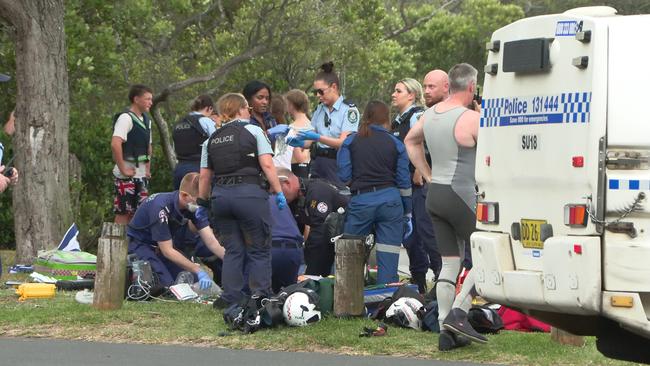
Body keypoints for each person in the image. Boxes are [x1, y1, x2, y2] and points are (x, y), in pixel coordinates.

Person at [404, 63, 485, 350]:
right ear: (472, 87)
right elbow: (491, 157)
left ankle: (445, 331)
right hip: (459, 193)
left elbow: (410, 141)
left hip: (435, 193)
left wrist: (426, 173)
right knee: (487, 255)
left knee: (450, 263)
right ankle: (458, 314)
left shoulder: (430, 114)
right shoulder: (471, 118)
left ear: (450, 85)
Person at [198, 93, 286, 307]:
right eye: (246, 108)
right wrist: (278, 191)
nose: (249, 111)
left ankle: (231, 298)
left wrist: (202, 203)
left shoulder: (211, 140)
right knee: (259, 247)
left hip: (221, 197)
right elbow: (266, 165)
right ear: (239, 110)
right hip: (249, 194)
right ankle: (261, 296)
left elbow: (204, 175)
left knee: (233, 250)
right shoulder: (254, 130)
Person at [337, 101, 412, 284]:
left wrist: (357, 182)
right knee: (388, 255)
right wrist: (407, 211)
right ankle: (385, 301)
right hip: (390, 202)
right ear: (386, 119)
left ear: (365, 117)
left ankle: (349, 298)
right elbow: (404, 181)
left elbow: (344, 175)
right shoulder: (396, 143)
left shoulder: (351, 141)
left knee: (351, 255)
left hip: (361, 201)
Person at [126, 172, 225, 290]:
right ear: (184, 196)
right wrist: (197, 269)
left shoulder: (192, 207)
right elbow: (167, 250)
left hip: (161, 247)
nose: (200, 206)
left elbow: (212, 242)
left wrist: (233, 260)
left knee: (192, 279)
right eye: (198, 202)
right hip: (140, 245)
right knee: (166, 285)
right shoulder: (160, 207)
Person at [391, 78, 442, 293]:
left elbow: (425, 144)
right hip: (402, 185)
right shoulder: (398, 120)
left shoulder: (417, 116)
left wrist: (420, 171)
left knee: (425, 231)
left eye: (398, 91)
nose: (394, 94)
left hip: (418, 184)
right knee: (411, 237)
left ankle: (441, 277)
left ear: (411, 95)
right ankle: (419, 281)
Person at [294, 62, 360, 187]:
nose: (318, 95)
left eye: (321, 91)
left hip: (337, 164)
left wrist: (318, 138)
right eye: (316, 92)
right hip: (318, 164)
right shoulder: (319, 109)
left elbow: (343, 143)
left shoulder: (349, 110)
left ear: (333, 87)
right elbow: (309, 140)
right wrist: (296, 141)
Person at [277, 167, 349, 277]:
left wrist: (310, 272)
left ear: (287, 183)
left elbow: (319, 230)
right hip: (327, 239)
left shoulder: (317, 191)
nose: (277, 195)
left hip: (342, 238)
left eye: (278, 191)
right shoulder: (294, 198)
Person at [111, 84, 154, 224]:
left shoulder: (147, 121)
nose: (150, 103)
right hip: (126, 172)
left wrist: (147, 168)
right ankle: (118, 243)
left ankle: (134, 243)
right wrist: (123, 168)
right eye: (147, 99)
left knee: (140, 210)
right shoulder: (126, 118)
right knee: (124, 210)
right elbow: (115, 143)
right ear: (136, 99)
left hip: (141, 172)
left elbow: (148, 146)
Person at [171, 94, 217, 190]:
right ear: (209, 108)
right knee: (201, 202)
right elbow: (219, 140)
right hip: (199, 168)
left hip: (179, 168)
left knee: (181, 201)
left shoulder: (179, 123)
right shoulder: (205, 121)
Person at [285, 89, 313, 179]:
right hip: (310, 171)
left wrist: (307, 147)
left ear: (291, 105)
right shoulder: (313, 126)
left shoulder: (292, 128)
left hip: (298, 172)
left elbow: (300, 158)